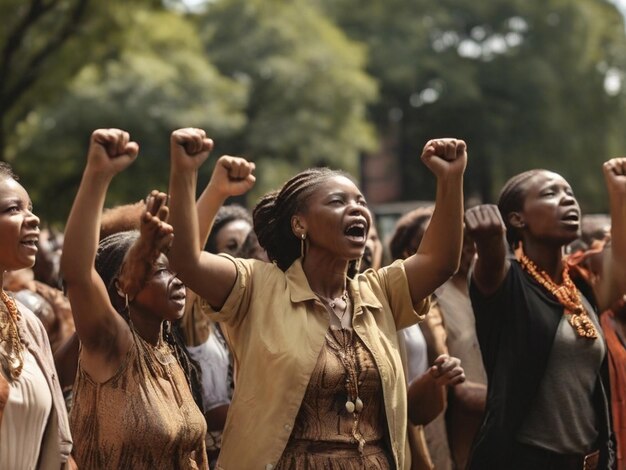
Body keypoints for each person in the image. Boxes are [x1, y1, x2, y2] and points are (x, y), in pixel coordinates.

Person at [167, 127, 467, 469]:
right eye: (338, 202)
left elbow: (440, 262)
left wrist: (450, 179)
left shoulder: (379, 292)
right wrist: (185, 173)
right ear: (299, 224)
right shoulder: (257, 286)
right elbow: (186, 261)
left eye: (361, 202)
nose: (357, 210)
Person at [464, 158, 626, 469]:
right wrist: (489, 238)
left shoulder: (581, 289)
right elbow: (492, 259)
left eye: (569, 193)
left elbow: (621, 262)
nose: (567, 199)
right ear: (516, 219)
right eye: (550, 194)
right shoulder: (506, 284)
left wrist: (619, 192)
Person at [61, 128, 208, 469]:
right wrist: (98, 175)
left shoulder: (167, 350)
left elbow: (193, 254)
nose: (178, 281)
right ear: (120, 285)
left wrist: (186, 172)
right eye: (157, 271)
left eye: (173, 271)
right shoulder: (111, 346)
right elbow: (78, 275)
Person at [0, 162, 74, 469]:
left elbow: (58, 449)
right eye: (14, 209)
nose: (33, 219)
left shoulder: (27, 323)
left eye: (31, 208)